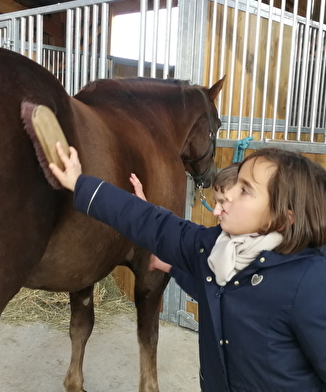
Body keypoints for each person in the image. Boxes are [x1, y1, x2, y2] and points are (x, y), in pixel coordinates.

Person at [49, 143, 326, 392]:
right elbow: (154, 224)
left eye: (245, 190)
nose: (229, 194)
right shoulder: (213, 246)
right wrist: (80, 183)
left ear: (282, 218)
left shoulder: (311, 283)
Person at [129, 164, 239, 300]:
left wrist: (171, 268)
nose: (215, 212)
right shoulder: (217, 239)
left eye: (223, 203)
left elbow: (214, 296)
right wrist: (147, 212)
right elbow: (178, 234)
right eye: (216, 202)